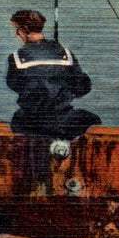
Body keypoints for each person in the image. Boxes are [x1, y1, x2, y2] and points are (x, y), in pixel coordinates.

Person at [6, 10, 101, 140]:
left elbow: (14, 85)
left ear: (25, 30)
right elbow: (83, 88)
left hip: (30, 123)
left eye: (17, 31)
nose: (17, 35)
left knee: (17, 119)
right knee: (90, 119)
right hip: (63, 121)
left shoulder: (16, 58)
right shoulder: (66, 54)